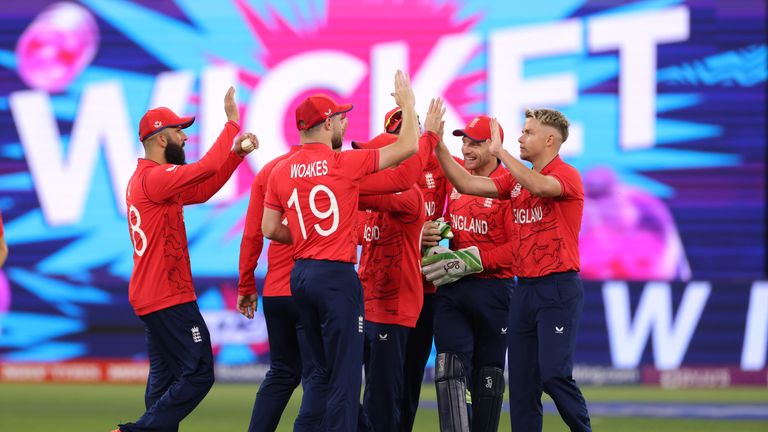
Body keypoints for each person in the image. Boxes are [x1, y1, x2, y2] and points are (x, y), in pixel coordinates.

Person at [261, 70, 420, 431]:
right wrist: (408, 105)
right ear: (327, 122)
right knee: (346, 379)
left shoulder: (280, 171)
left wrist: (305, 240)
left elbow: (269, 228)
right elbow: (408, 147)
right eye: (341, 117)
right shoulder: (343, 163)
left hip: (299, 276)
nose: (345, 123)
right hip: (335, 277)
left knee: (320, 372)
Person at [428, 108, 591, 431]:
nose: (520, 137)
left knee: (554, 375)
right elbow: (465, 182)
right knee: (522, 385)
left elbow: (541, 187)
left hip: (557, 288)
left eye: (528, 132)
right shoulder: (515, 182)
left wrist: (501, 152)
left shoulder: (566, 174)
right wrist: (436, 144)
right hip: (525, 291)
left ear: (549, 140)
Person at [114, 87, 257, 432]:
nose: (184, 137)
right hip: (167, 295)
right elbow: (205, 167)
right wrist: (231, 126)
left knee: (164, 384)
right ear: (161, 140)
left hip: (152, 295)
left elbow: (205, 189)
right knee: (199, 372)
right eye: (179, 132)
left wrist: (235, 156)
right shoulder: (155, 178)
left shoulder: (147, 181)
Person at [353, 98, 445, 431]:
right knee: (375, 392)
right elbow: (358, 231)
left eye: (379, 154)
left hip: (406, 297)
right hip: (371, 302)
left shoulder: (408, 192)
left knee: (395, 389)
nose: (372, 161)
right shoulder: (381, 194)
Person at [421, 116, 513, 431]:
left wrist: (473, 260)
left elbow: (516, 250)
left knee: (488, 377)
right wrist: (436, 233)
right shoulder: (459, 179)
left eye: (475, 142)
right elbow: (452, 221)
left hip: (495, 292)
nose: (467, 148)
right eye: (464, 141)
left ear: (495, 145)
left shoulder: (512, 185)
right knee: (449, 369)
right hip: (454, 290)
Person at [237, 143, 314, 432]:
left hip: (276, 293)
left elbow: (253, 233)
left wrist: (246, 282)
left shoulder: (271, 170)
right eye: (340, 120)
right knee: (321, 375)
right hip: (311, 290)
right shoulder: (332, 166)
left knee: (283, 372)